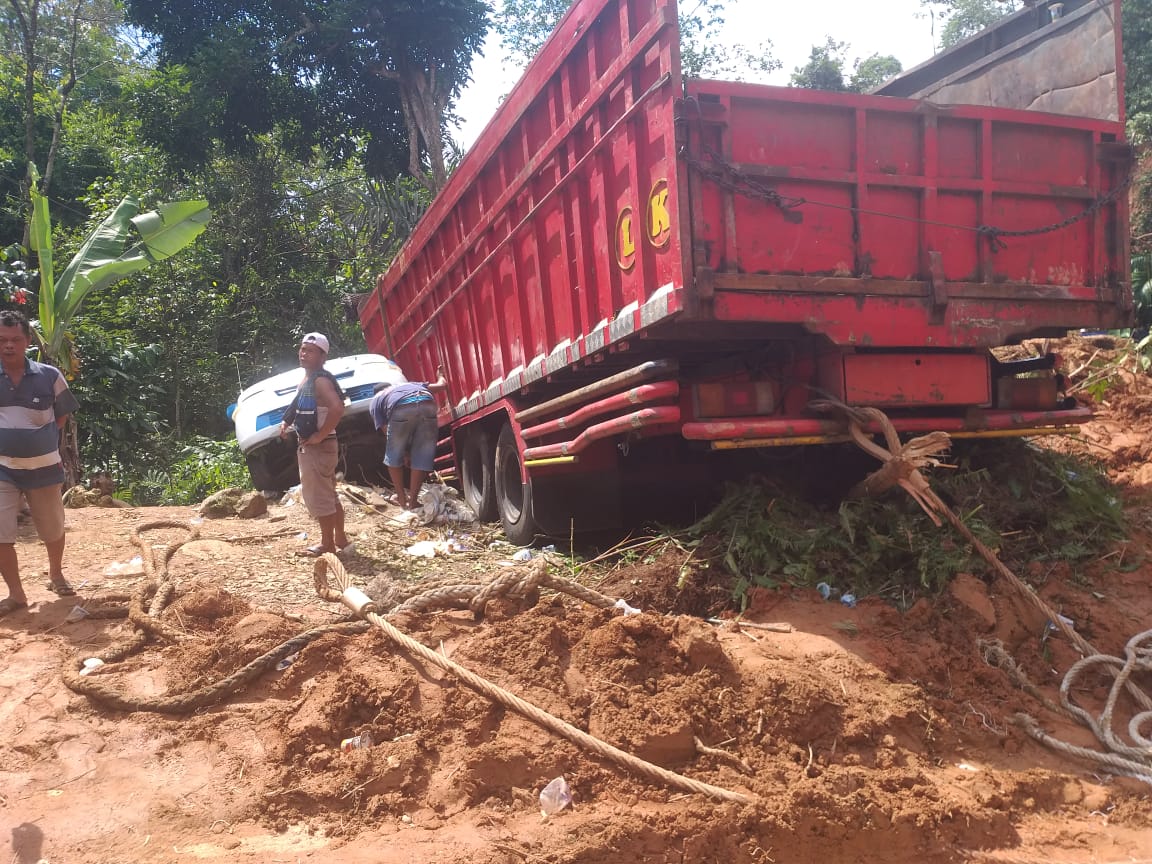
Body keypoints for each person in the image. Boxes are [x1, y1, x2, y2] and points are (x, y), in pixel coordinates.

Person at [0, 310, 79, 618]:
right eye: (2, 340)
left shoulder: (50, 376)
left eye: (15, 340)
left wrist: (39, 440)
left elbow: (62, 415)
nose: (8, 346)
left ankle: (56, 574)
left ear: (28, 341)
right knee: (1, 534)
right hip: (3, 469)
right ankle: (16, 595)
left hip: (45, 468)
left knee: (52, 527)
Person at [279, 332, 353, 558]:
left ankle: (327, 544)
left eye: (310, 350)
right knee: (329, 494)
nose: (303, 353)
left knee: (320, 497)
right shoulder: (308, 379)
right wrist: (286, 421)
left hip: (319, 447)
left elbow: (337, 408)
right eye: (302, 349)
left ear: (323, 356)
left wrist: (319, 436)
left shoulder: (320, 380)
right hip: (317, 446)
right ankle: (339, 538)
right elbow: (297, 404)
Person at [370, 366, 448, 510]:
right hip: (427, 401)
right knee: (422, 456)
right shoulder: (410, 384)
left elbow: (388, 431)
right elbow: (442, 385)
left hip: (401, 406)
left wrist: (402, 451)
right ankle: (413, 502)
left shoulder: (375, 399)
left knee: (392, 457)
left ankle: (401, 499)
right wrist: (440, 375)